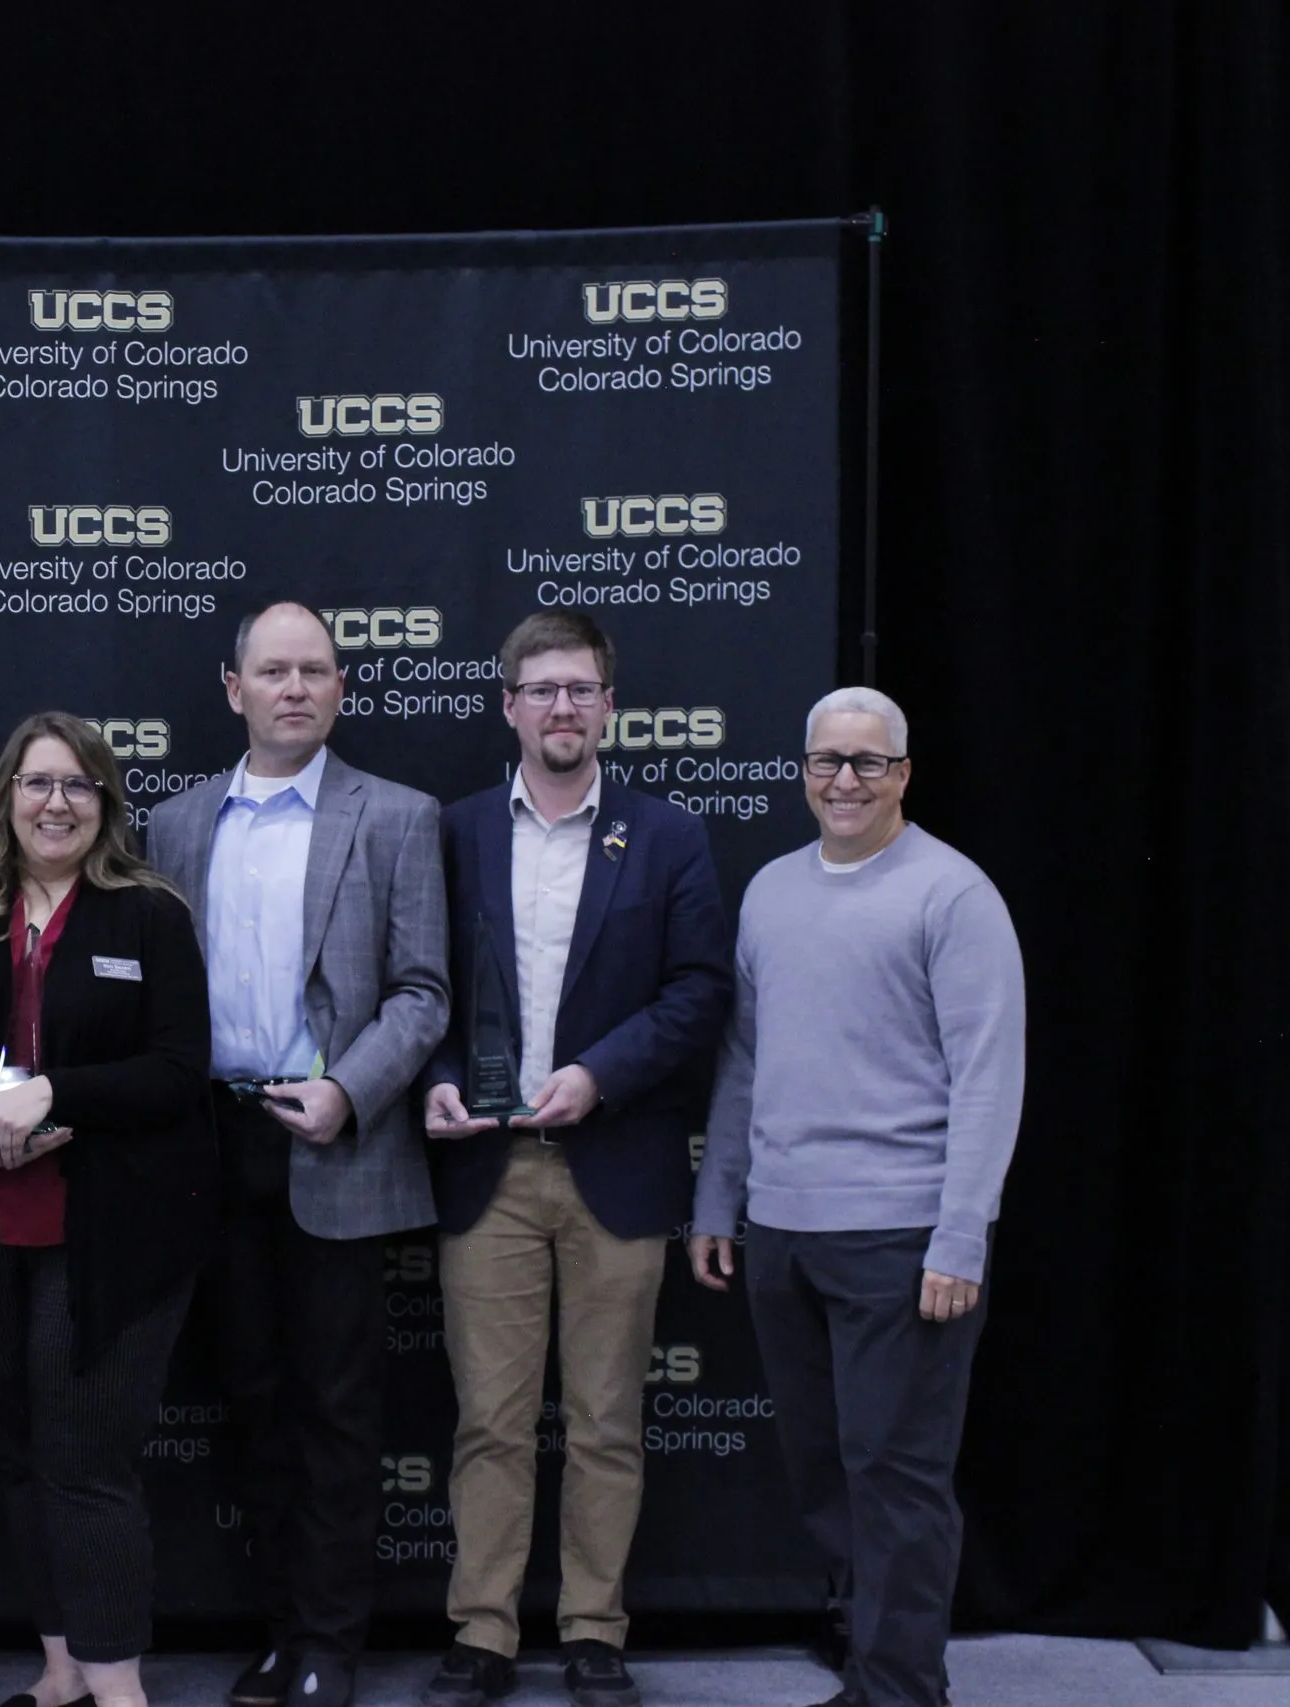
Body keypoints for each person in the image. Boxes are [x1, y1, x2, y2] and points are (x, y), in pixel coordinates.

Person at [415, 614, 731, 1707]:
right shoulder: (450, 833)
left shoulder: (668, 836)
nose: (560, 708)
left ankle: (594, 1630)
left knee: (605, 1422)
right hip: (486, 1172)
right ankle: (484, 1631)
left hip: (617, 1165)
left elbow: (698, 992)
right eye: (539, 690)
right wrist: (440, 1075)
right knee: (489, 1423)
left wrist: (598, 1074)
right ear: (506, 706)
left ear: (608, 705)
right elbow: (421, 986)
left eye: (579, 690)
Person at [689, 687, 1024, 1707]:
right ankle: (872, 1670)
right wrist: (717, 1200)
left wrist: (959, 1237)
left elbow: (988, 1075)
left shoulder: (951, 896)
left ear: (903, 775)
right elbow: (744, 1060)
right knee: (826, 1473)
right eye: (827, 761)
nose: (845, 780)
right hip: (783, 1231)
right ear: (801, 771)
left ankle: (901, 1690)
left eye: (867, 763)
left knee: (895, 1479)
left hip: (902, 1236)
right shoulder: (770, 893)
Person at [0, 712, 217, 1707]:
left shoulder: (147, 915)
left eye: (76, 786)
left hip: (114, 1228)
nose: (55, 804)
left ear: (105, 803)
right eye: (36, 784)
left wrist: (53, 1092)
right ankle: (62, 1665)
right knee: (21, 1453)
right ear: (5, 796)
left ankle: (119, 1689)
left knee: (81, 1461)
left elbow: (175, 1069)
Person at [143, 600, 448, 1707]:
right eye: (272, 671)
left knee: (336, 1412)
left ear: (340, 689)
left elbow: (423, 993)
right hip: (210, 1148)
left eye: (314, 671)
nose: (293, 689)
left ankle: (330, 1647)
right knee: (252, 1404)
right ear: (233, 690)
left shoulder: (397, 818)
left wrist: (345, 1091)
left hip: (335, 1145)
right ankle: (278, 1636)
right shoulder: (174, 825)